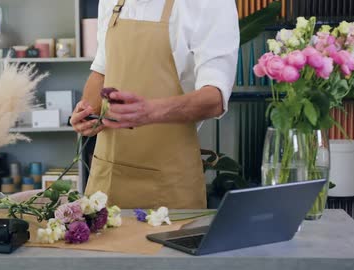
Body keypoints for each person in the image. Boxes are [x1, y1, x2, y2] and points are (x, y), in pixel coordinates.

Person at [70, 0, 239, 209]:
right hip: (108, 175)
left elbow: (215, 98)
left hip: (169, 182)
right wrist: (87, 112)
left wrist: (150, 112)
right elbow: (102, 69)